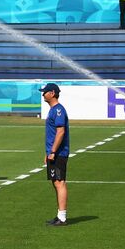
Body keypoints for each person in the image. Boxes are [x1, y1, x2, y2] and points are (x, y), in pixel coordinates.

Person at [41, 82, 71, 226]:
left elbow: (60, 131)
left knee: (59, 183)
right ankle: (60, 215)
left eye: (45, 92)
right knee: (56, 183)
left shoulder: (58, 110)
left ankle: (63, 217)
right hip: (53, 152)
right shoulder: (53, 110)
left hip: (58, 153)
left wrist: (53, 151)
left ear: (52, 93)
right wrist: (47, 152)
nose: (43, 94)